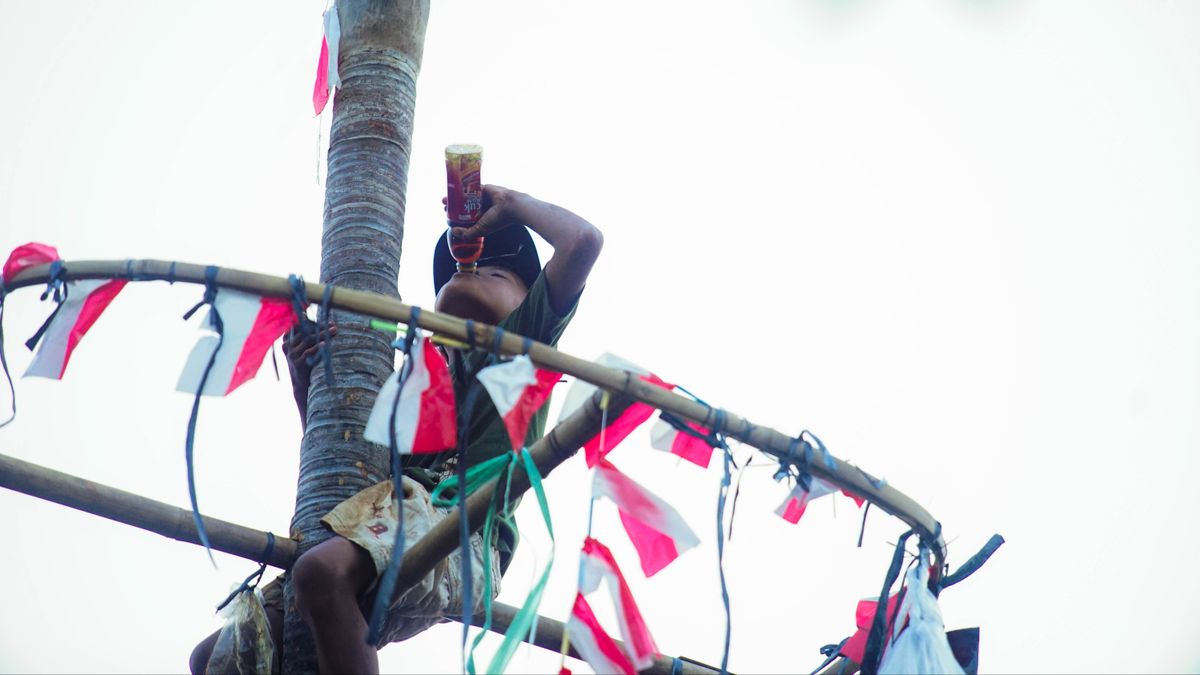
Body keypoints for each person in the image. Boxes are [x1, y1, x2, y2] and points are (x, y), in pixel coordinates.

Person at [190, 185, 602, 674]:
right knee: (214, 659)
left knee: (321, 572)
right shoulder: (414, 390)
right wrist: (308, 383)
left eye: (495, 271)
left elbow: (583, 241)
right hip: (382, 520)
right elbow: (349, 467)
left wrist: (508, 205)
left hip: (461, 532)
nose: (471, 272)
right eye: (461, 272)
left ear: (528, 299)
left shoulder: (524, 350)